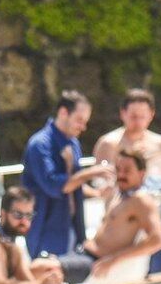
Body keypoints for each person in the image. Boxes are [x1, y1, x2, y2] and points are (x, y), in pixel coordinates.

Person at [21, 90, 108, 258]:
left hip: (72, 229)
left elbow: (74, 185)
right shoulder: (39, 144)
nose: (83, 127)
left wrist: (96, 193)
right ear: (63, 113)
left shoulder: (73, 143)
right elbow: (54, 185)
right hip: (46, 230)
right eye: (79, 120)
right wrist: (91, 172)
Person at [70, 144, 161, 282]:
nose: (120, 175)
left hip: (95, 262)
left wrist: (113, 260)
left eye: (127, 170)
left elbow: (157, 241)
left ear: (141, 173)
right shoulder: (118, 194)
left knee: (42, 267)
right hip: (83, 253)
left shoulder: (141, 200)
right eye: (118, 169)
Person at [91, 88, 161, 177]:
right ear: (123, 113)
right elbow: (100, 180)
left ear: (151, 115)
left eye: (142, 116)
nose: (138, 121)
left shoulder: (160, 143)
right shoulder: (108, 143)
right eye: (133, 116)